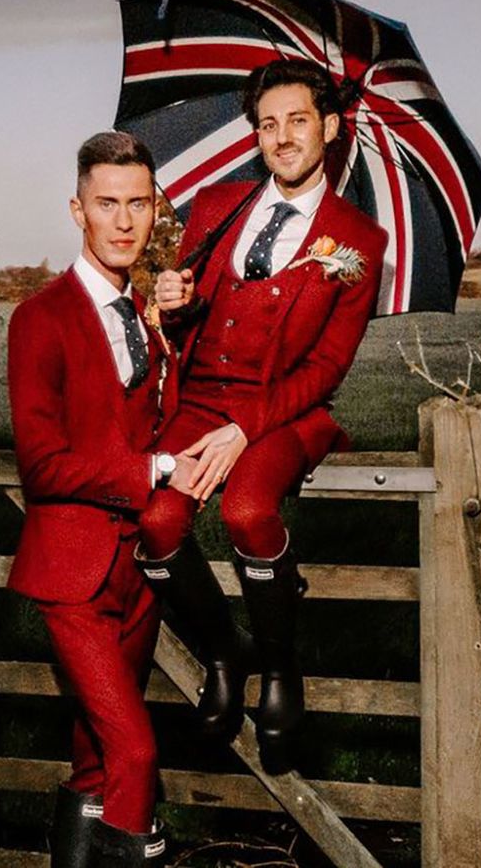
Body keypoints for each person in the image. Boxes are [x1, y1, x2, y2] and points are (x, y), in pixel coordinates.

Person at [139, 58, 388, 774]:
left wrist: (246, 428)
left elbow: (326, 370)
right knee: (155, 521)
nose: (281, 137)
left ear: (330, 128)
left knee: (248, 509)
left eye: (297, 121)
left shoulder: (358, 241)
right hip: (198, 402)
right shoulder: (216, 208)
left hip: (282, 412)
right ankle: (225, 654)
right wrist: (173, 301)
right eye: (268, 123)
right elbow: (181, 330)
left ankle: (279, 669)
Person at [6, 131, 191, 867]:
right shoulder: (39, 318)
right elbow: (43, 466)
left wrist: (176, 323)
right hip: (73, 579)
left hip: (139, 577)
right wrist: (150, 471)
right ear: (77, 209)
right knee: (138, 754)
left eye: (138, 204)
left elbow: (167, 411)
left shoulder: (149, 317)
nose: (123, 221)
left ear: (154, 212)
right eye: (106, 204)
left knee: (95, 762)